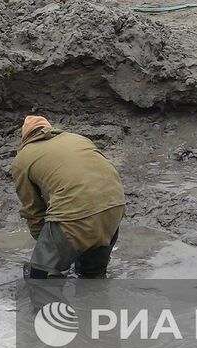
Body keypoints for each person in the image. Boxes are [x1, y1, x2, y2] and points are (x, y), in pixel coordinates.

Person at [13, 115, 124, 279]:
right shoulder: (78, 139)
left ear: (25, 138)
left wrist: (49, 247)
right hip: (114, 207)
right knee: (92, 277)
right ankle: (96, 302)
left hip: (75, 212)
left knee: (39, 275)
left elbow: (32, 211)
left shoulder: (23, 159)